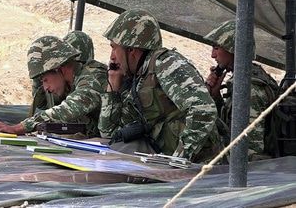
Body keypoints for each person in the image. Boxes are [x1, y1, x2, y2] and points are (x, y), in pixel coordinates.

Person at [98, 9, 221, 162]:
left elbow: (204, 109)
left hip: (201, 167)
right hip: (165, 160)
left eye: (114, 47)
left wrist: (178, 161)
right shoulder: (140, 78)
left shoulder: (166, 64)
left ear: (132, 50)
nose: (112, 57)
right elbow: (108, 133)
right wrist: (113, 87)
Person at [0, 35, 107, 137]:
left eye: (45, 80)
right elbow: (42, 103)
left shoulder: (93, 77)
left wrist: (18, 128)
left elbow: (68, 110)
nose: (45, 87)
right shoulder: (68, 82)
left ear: (59, 69)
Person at [204, 20, 279, 160]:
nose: (212, 55)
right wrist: (215, 96)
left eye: (216, 48)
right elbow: (230, 127)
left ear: (233, 48)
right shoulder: (246, 78)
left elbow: (249, 150)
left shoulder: (249, 88)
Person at [29, 30, 105, 113]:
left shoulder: (93, 76)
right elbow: (42, 104)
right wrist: (39, 72)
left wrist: (26, 124)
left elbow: (72, 108)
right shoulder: (65, 83)